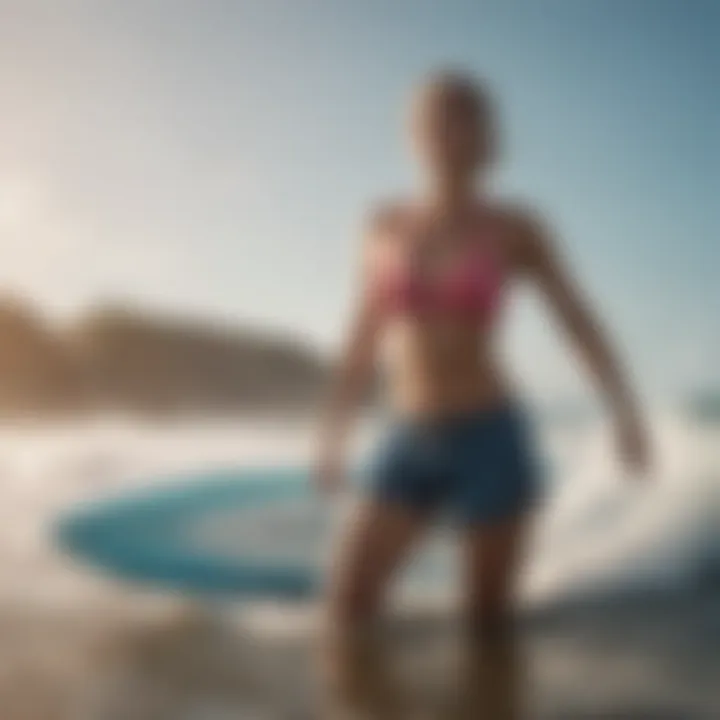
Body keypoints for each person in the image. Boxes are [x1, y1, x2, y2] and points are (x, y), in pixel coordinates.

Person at [314, 69, 650, 714]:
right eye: (437, 115)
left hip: (491, 438)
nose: (450, 129)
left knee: (484, 636)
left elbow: (576, 320)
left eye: (466, 116)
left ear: (488, 137)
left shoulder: (517, 227)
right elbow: (362, 337)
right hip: (407, 438)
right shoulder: (382, 224)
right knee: (347, 611)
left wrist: (624, 410)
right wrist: (333, 434)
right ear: (414, 133)